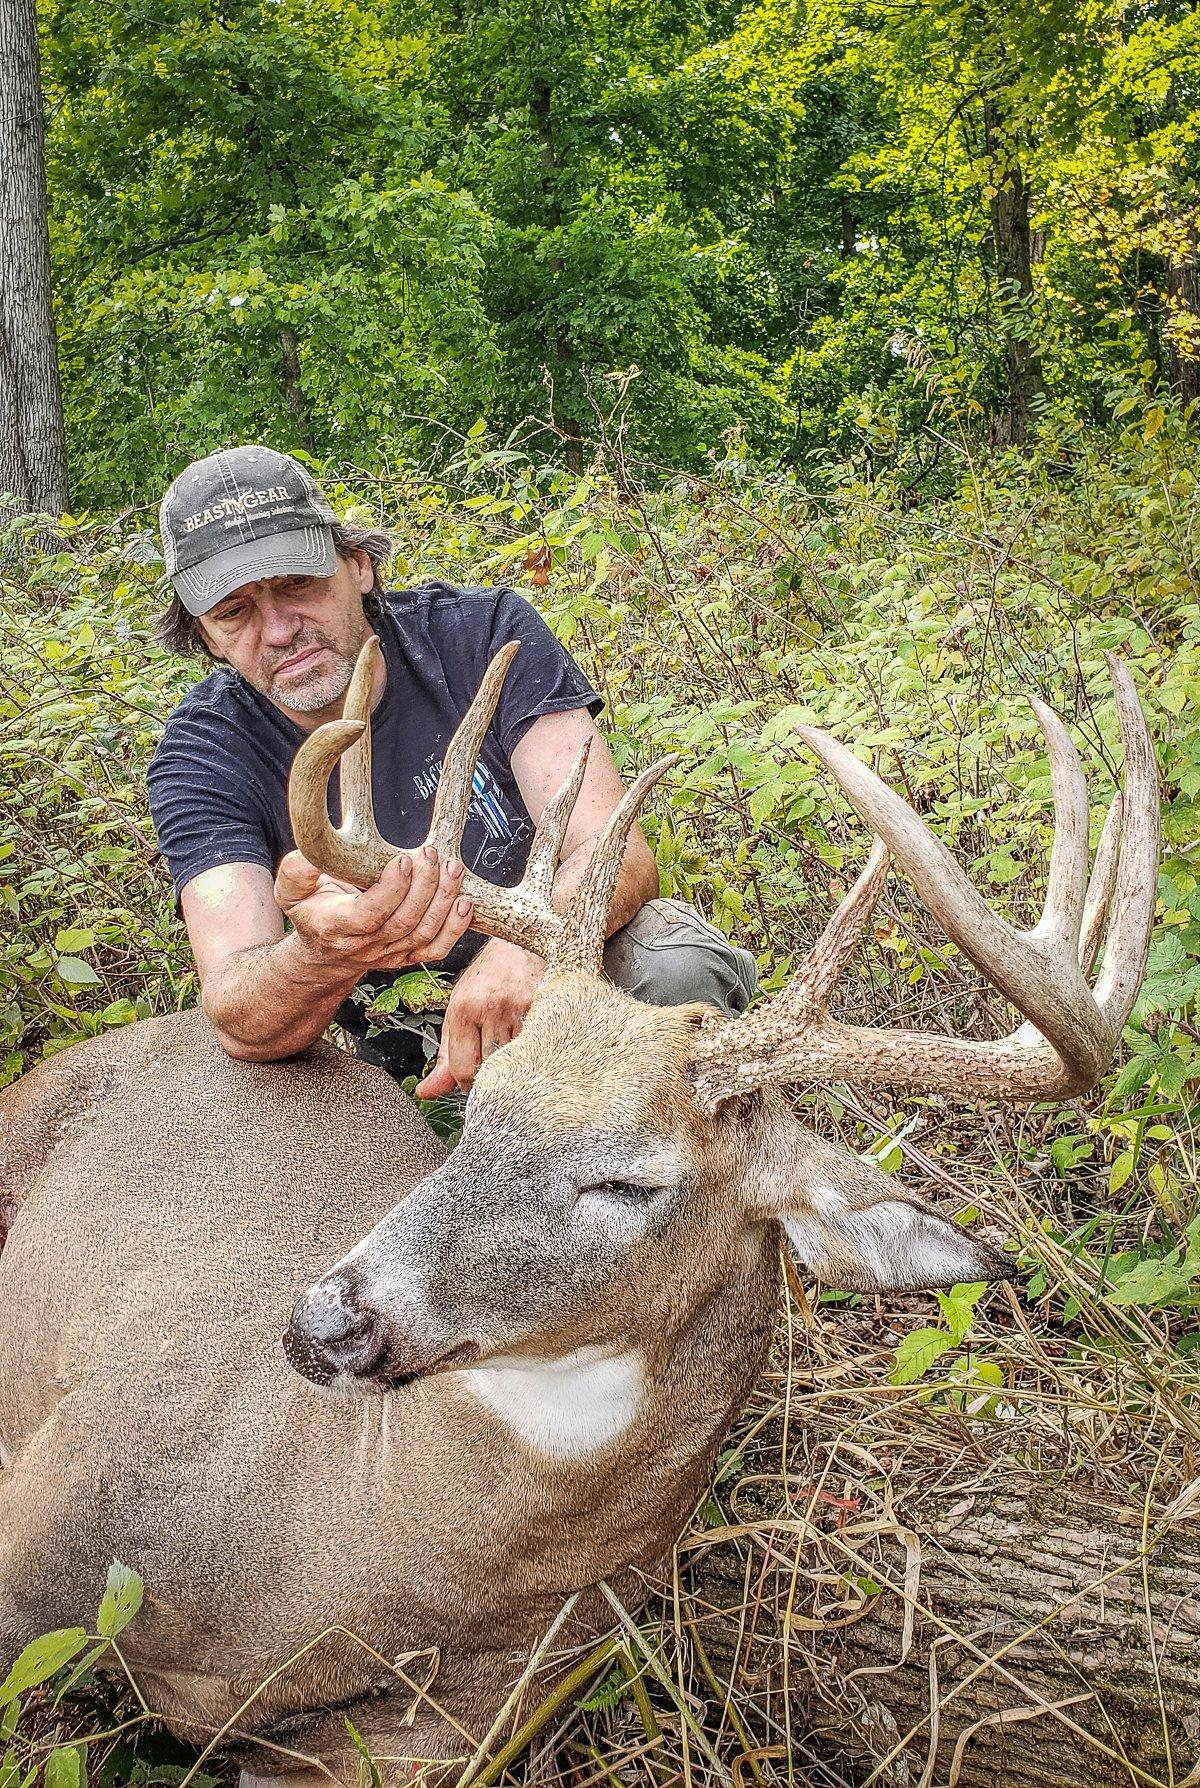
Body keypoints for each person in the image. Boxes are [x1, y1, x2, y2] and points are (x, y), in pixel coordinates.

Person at [148, 445, 756, 1096]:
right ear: (207, 636)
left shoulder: (483, 633)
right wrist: (323, 953)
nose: (276, 630)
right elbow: (241, 1010)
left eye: (296, 584)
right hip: (399, 1046)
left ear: (356, 565)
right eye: (234, 612)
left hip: (570, 966)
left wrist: (525, 950)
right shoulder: (202, 755)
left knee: (675, 972)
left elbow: (614, 853)